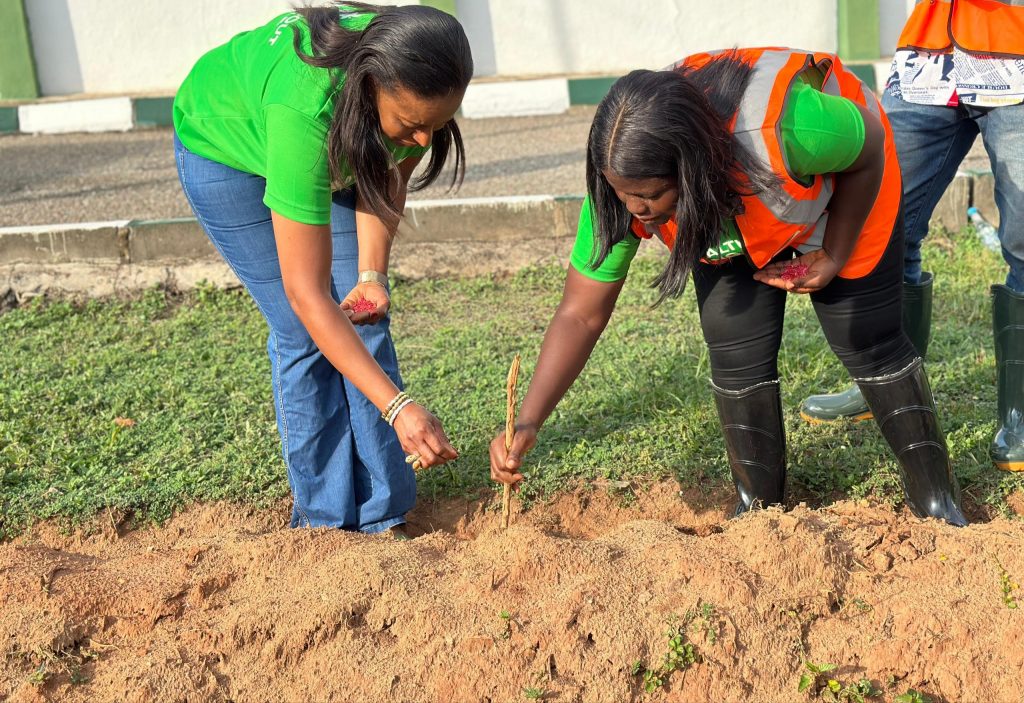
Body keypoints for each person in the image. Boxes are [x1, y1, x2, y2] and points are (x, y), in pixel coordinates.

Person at [489, 48, 968, 526]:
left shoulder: (793, 129)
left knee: (864, 337)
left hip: (843, 184)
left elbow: (869, 143)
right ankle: (760, 511)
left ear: (692, 166)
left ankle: (937, 502)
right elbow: (580, 312)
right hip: (731, 209)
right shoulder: (622, 183)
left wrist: (835, 253)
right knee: (734, 343)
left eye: (653, 195)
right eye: (623, 193)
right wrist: (529, 419)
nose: (638, 209)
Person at [172, 3, 471, 532]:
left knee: (361, 315)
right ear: (371, 84)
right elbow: (306, 294)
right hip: (228, 149)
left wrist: (371, 277)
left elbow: (386, 178)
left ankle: (384, 514)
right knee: (302, 333)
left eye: (438, 125)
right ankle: (324, 523)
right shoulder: (305, 112)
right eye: (412, 125)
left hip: (332, 135)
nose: (425, 141)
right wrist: (400, 407)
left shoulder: (414, 88)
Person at [800, 0, 1024, 474]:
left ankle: (1019, 414)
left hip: (1018, 54)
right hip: (931, 59)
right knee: (884, 218)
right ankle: (884, 380)